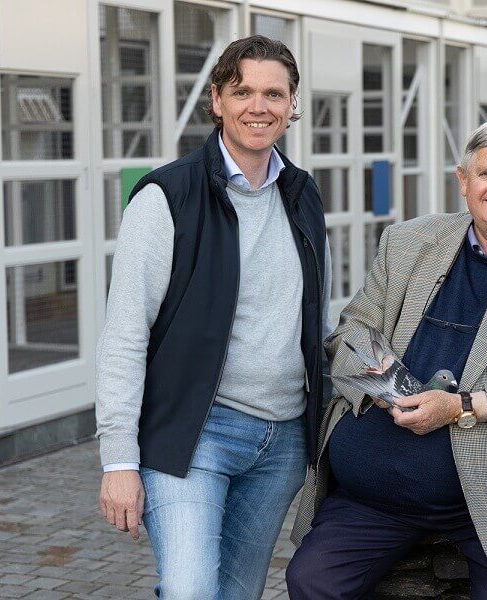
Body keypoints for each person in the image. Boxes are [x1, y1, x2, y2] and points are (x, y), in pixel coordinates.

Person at [286, 117, 487, 599]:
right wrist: (383, 383)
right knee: (310, 581)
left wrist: (461, 407)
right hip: (374, 496)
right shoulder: (409, 241)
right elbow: (353, 330)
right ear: (463, 180)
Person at [95, 35, 331, 599]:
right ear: (217, 100)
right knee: (191, 589)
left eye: (274, 93)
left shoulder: (303, 195)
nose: (259, 106)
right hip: (194, 435)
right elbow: (125, 334)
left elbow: (313, 321)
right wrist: (118, 460)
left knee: (238, 593)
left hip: (282, 443)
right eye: (243, 91)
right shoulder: (166, 197)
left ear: (292, 104)